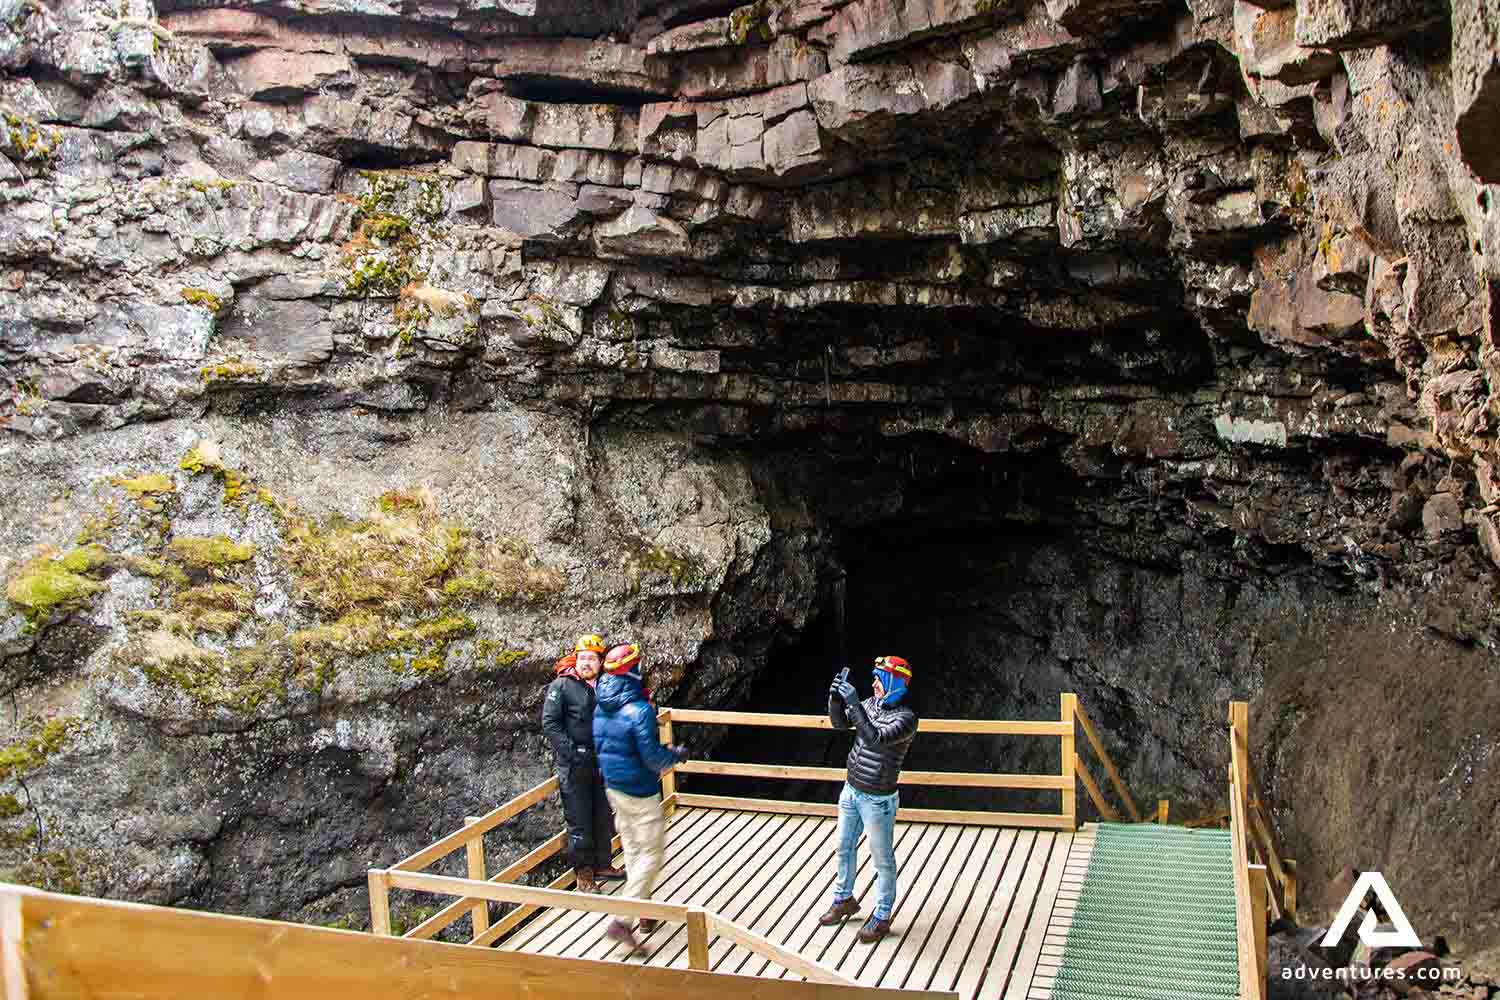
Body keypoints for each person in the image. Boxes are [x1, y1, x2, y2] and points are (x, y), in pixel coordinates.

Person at [592, 641, 689, 954]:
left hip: (614, 787)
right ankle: (623, 920)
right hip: (640, 791)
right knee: (652, 853)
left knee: (633, 850)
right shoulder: (639, 710)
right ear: (631, 670)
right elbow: (652, 757)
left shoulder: (600, 704)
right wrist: (674, 756)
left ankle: (644, 912)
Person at [821, 654, 918, 944]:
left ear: (893, 682)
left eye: (879, 679)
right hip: (851, 790)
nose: (874, 684)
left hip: (878, 799)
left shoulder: (906, 719)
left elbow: (875, 737)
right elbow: (841, 725)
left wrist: (853, 703)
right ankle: (843, 899)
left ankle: (883, 915)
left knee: (882, 860)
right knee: (843, 847)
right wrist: (835, 699)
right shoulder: (870, 705)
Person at [541, 634, 625, 893]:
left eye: (591, 658)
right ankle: (584, 874)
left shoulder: (606, 684)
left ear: (601, 661)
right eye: (582, 658)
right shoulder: (561, 686)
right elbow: (550, 724)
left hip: (602, 760)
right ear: (575, 659)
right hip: (574, 763)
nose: (586, 663)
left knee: (602, 815)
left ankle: (603, 863)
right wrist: (572, 753)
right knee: (579, 819)